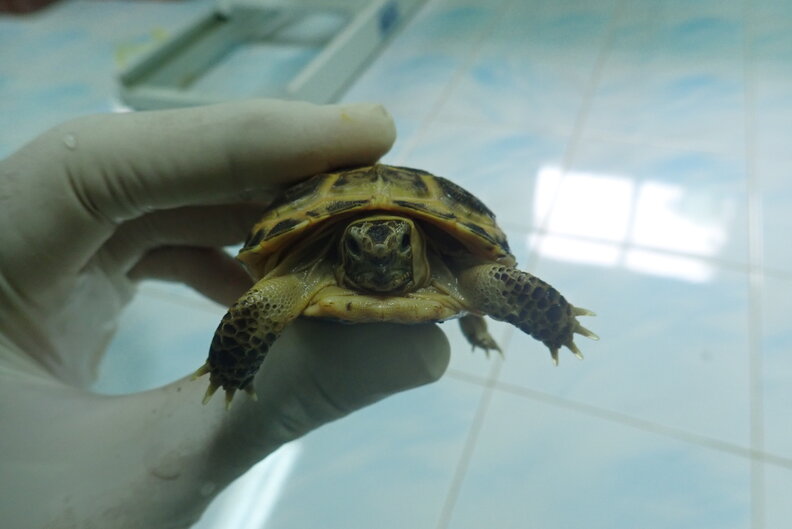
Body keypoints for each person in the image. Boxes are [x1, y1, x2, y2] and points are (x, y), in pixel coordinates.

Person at [0, 99, 450, 529]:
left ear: (415, 244)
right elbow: (256, 305)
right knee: (257, 307)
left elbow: (489, 274)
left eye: (397, 247)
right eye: (358, 248)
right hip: (318, 264)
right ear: (344, 245)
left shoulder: (453, 265)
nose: (377, 258)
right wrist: (230, 371)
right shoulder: (300, 278)